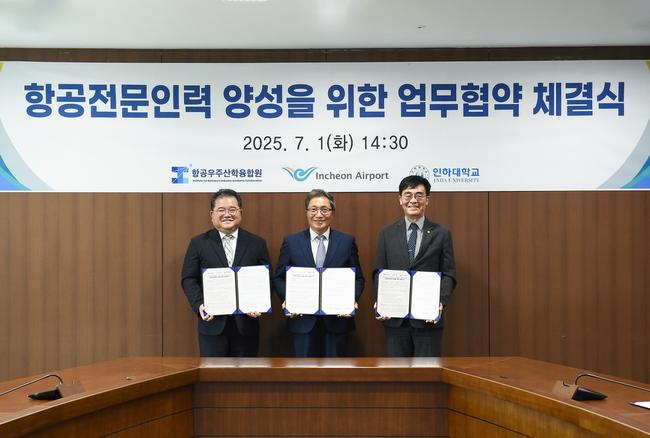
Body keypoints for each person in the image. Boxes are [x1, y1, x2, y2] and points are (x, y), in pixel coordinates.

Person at [273, 189, 364, 357]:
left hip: (337, 320)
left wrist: (351, 300)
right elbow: (279, 278)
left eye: (324, 209)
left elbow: (358, 278)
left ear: (333, 213)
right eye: (313, 209)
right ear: (307, 212)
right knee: (304, 370)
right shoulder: (291, 242)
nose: (319, 215)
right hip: (302, 320)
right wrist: (288, 299)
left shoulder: (346, 241)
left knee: (335, 369)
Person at [181, 189, 271, 357]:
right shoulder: (198, 243)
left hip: (246, 325)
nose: (227, 214)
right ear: (212, 214)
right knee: (213, 372)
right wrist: (199, 305)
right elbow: (189, 279)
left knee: (246, 371)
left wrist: (259, 303)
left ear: (240, 212)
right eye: (221, 210)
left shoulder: (257, 243)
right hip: (212, 324)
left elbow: (266, 279)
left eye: (232, 209)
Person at [374, 175, 456, 357]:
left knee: (427, 370)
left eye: (419, 195)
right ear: (400, 199)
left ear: (427, 200)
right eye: (408, 195)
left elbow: (449, 274)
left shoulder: (441, 233)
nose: (413, 200)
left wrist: (440, 302)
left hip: (427, 320)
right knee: (397, 371)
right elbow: (379, 272)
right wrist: (381, 300)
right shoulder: (387, 233)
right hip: (395, 320)